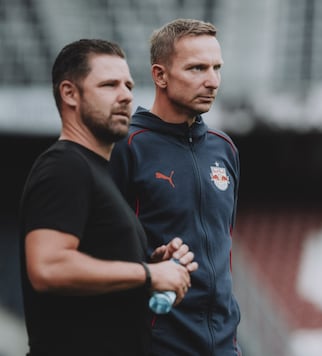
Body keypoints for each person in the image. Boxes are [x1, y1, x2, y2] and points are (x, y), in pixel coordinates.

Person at [18, 39, 199, 356]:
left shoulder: (96, 171)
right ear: (70, 94)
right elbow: (48, 267)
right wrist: (148, 274)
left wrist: (151, 271)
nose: (126, 95)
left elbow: (94, 290)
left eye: (128, 85)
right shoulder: (64, 166)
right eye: (109, 85)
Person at [109, 19, 241, 355]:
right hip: (157, 343)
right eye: (197, 68)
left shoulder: (223, 148)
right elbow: (103, 248)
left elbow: (223, 243)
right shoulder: (125, 146)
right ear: (160, 75)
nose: (212, 81)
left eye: (216, 68)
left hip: (225, 344)